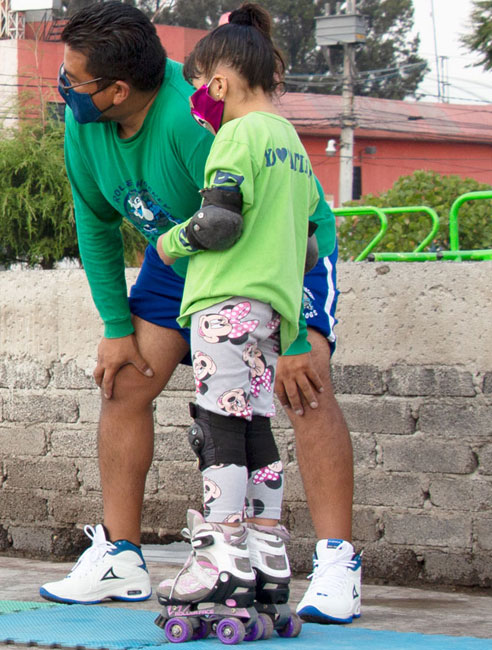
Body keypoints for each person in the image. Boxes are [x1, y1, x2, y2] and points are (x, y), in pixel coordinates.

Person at [39, 1, 361, 626]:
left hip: (279, 251)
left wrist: (294, 336)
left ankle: (336, 562)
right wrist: (115, 327)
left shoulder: (198, 118)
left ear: (118, 90)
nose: (64, 87)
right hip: (188, 259)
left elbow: (278, 216)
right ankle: (121, 559)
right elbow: (96, 225)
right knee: (124, 381)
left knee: (304, 386)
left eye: (73, 79)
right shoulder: (86, 126)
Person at [152, 3, 315, 631]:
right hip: (272, 311)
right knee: (255, 429)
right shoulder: (293, 144)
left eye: (199, 85)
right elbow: (306, 246)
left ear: (218, 83)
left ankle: (221, 555)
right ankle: (266, 553)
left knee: (216, 426)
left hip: (224, 304)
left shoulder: (237, 136)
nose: (198, 97)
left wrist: (171, 243)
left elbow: (218, 222)